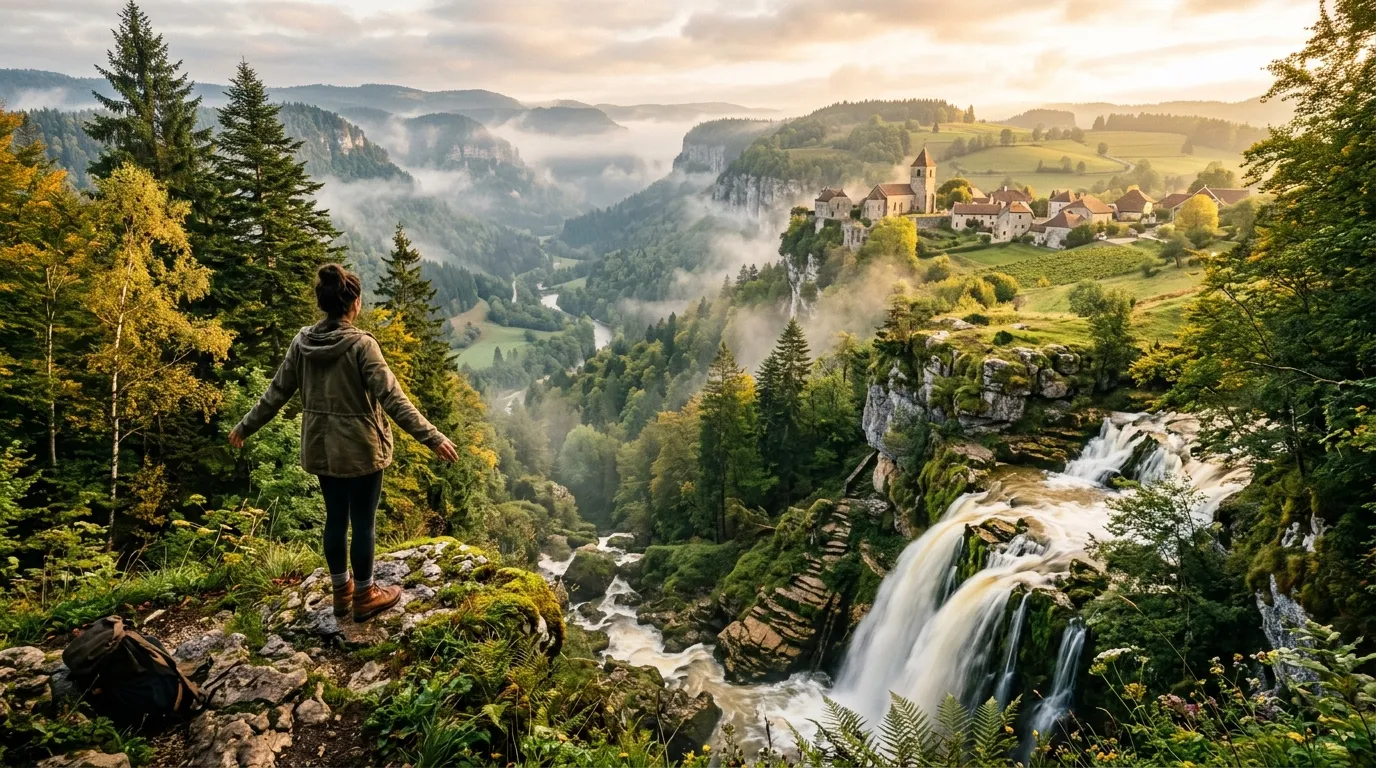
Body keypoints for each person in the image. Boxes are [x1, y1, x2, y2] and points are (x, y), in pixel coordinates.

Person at [229, 264, 459, 622]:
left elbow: (276, 393)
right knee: (363, 522)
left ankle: (342, 593)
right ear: (353, 304)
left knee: (335, 519)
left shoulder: (302, 343)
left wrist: (244, 426)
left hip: (322, 446)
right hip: (362, 448)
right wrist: (434, 438)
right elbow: (395, 401)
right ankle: (366, 595)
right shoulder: (362, 346)